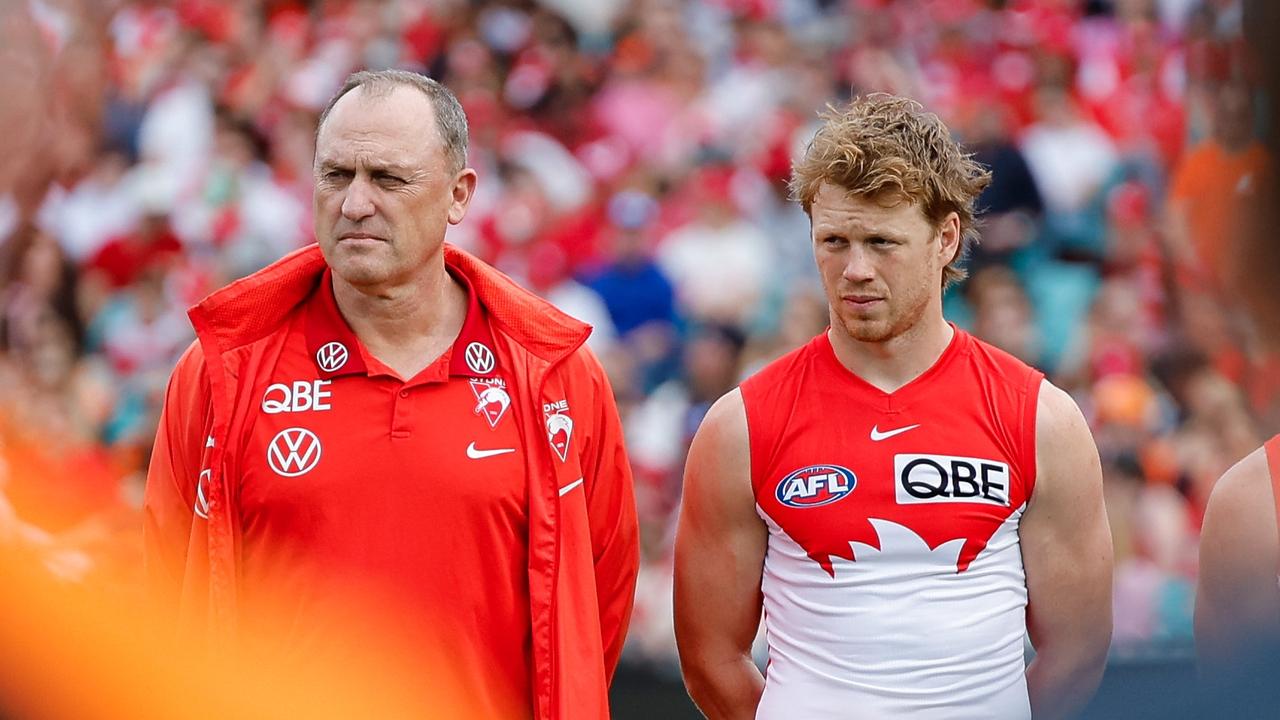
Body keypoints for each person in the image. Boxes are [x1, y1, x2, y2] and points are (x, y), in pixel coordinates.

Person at [143, 69, 639, 720]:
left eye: (388, 178)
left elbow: (598, 598)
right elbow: (164, 584)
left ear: (459, 195)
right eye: (335, 175)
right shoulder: (219, 370)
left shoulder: (557, 375)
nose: (354, 204)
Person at [673, 94, 1113, 719]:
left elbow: (1078, 650)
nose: (854, 269)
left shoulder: (1040, 418)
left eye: (882, 241)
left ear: (946, 238)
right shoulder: (741, 424)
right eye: (833, 241)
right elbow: (710, 659)